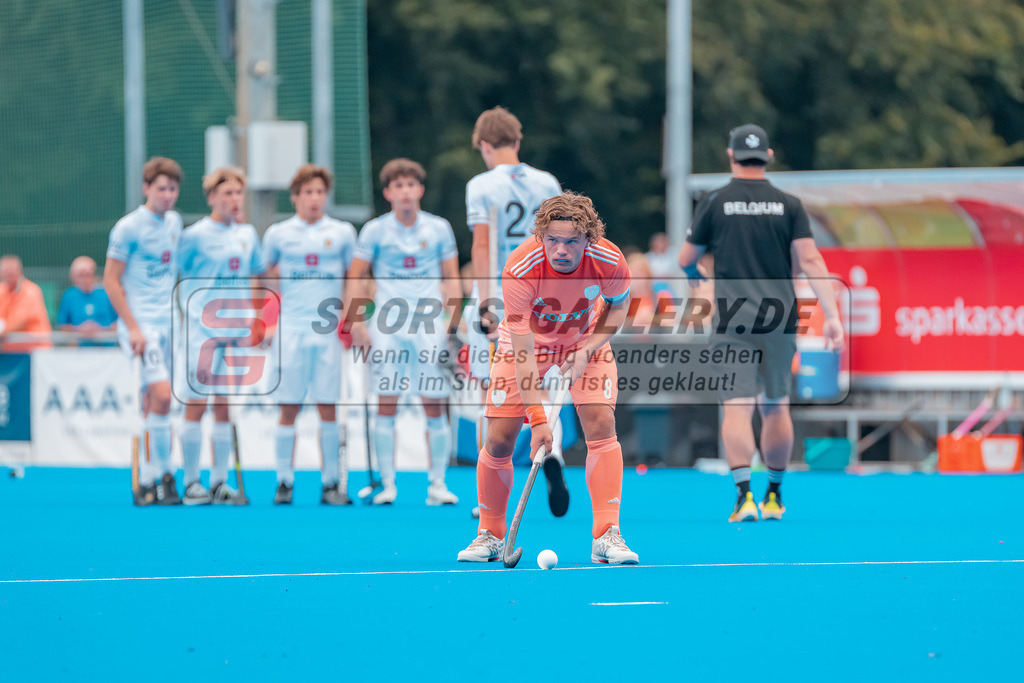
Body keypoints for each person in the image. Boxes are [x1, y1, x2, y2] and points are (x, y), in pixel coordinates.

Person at [457, 191, 639, 564]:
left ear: (589, 239)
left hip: (586, 340)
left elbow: (618, 308)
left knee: (602, 423)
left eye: (571, 241)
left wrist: (587, 348)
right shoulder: (522, 266)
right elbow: (521, 352)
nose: (561, 249)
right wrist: (539, 423)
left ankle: (607, 536)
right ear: (541, 235)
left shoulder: (609, 260)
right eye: (552, 239)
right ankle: (489, 534)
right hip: (527, 346)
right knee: (499, 439)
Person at [678, 124, 844, 522]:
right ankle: (774, 495)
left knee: (736, 408)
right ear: (768, 156)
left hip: (732, 319)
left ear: (731, 156)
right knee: (775, 407)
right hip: (780, 318)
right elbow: (811, 261)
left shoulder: (715, 201)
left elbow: (686, 256)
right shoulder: (789, 204)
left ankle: (742, 497)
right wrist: (833, 316)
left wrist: (697, 271)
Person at [464, 106, 570, 517]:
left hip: (504, 293)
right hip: (546, 297)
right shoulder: (546, 181)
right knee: (541, 387)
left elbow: (482, 245)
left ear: (485, 146)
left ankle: (487, 495)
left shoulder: (481, 185)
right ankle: (553, 453)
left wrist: (486, 302)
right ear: (518, 141)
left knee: (490, 395)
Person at [347, 158, 462, 505]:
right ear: (388, 193)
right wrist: (355, 321)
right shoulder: (375, 230)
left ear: (420, 190)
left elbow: (451, 278)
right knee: (387, 403)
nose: (406, 192)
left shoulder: (439, 228)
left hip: (428, 324)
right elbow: (355, 277)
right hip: (388, 325)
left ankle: (438, 485)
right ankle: (387, 484)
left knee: (433, 403)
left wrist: (452, 325)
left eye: (411, 185)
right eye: (398, 186)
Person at [260, 165, 358, 506]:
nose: (314, 198)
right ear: (295, 197)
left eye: (319, 192)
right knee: (288, 408)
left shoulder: (343, 232)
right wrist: (267, 316)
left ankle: (331, 483)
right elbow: (262, 276)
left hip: (327, 334)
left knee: (327, 408)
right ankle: (284, 482)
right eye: (307, 192)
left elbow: (354, 278)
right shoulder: (278, 233)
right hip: (291, 333)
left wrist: (350, 319)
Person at [176, 166, 261, 505]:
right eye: (227, 193)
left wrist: (254, 318)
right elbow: (173, 273)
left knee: (225, 407)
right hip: (201, 333)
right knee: (196, 405)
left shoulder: (248, 234)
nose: (234, 200)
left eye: (239, 193)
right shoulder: (193, 235)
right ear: (212, 197)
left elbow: (255, 277)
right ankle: (191, 482)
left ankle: (220, 482)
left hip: (235, 334)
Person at [103, 157, 183, 505]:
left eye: (173, 188)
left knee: (156, 403)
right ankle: (165, 474)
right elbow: (110, 280)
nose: (168, 195)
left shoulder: (176, 223)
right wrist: (132, 328)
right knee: (162, 397)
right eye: (161, 188)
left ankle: (149, 480)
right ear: (146, 188)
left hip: (170, 322)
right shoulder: (128, 227)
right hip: (142, 326)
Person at [57, 256, 118, 341]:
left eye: (88, 274)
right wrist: (79, 330)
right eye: (81, 275)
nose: (85, 279)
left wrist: (100, 330)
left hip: (106, 348)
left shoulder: (106, 294)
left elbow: (118, 323)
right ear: (74, 277)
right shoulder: (69, 295)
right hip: (80, 349)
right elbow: (63, 325)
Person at [0, 255, 52, 352]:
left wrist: (2, 329)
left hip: (35, 351)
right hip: (11, 352)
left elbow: (19, 321)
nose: (7, 276)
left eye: (10, 273)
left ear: (19, 272)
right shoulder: (2, 290)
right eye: (5, 273)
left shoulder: (31, 291)